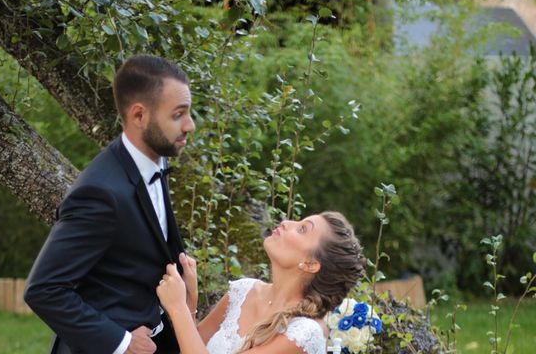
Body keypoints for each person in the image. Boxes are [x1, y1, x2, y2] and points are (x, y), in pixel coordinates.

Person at [24, 54, 197, 354]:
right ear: (139, 116)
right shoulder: (100, 192)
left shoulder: (155, 158)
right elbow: (43, 290)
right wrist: (122, 342)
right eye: (178, 114)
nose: (190, 125)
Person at [156, 211, 365, 354]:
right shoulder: (243, 290)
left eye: (302, 229)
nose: (286, 222)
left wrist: (177, 308)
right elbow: (192, 345)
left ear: (311, 264)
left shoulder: (304, 333)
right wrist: (189, 300)